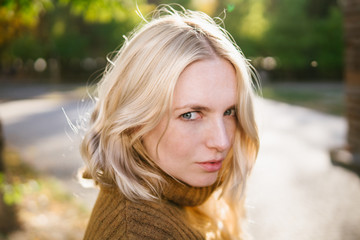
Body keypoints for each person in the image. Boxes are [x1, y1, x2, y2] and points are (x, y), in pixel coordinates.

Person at [81, 5, 259, 240]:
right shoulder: (137, 232)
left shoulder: (178, 197)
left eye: (230, 112)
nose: (222, 141)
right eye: (190, 114)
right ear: (136, 120)